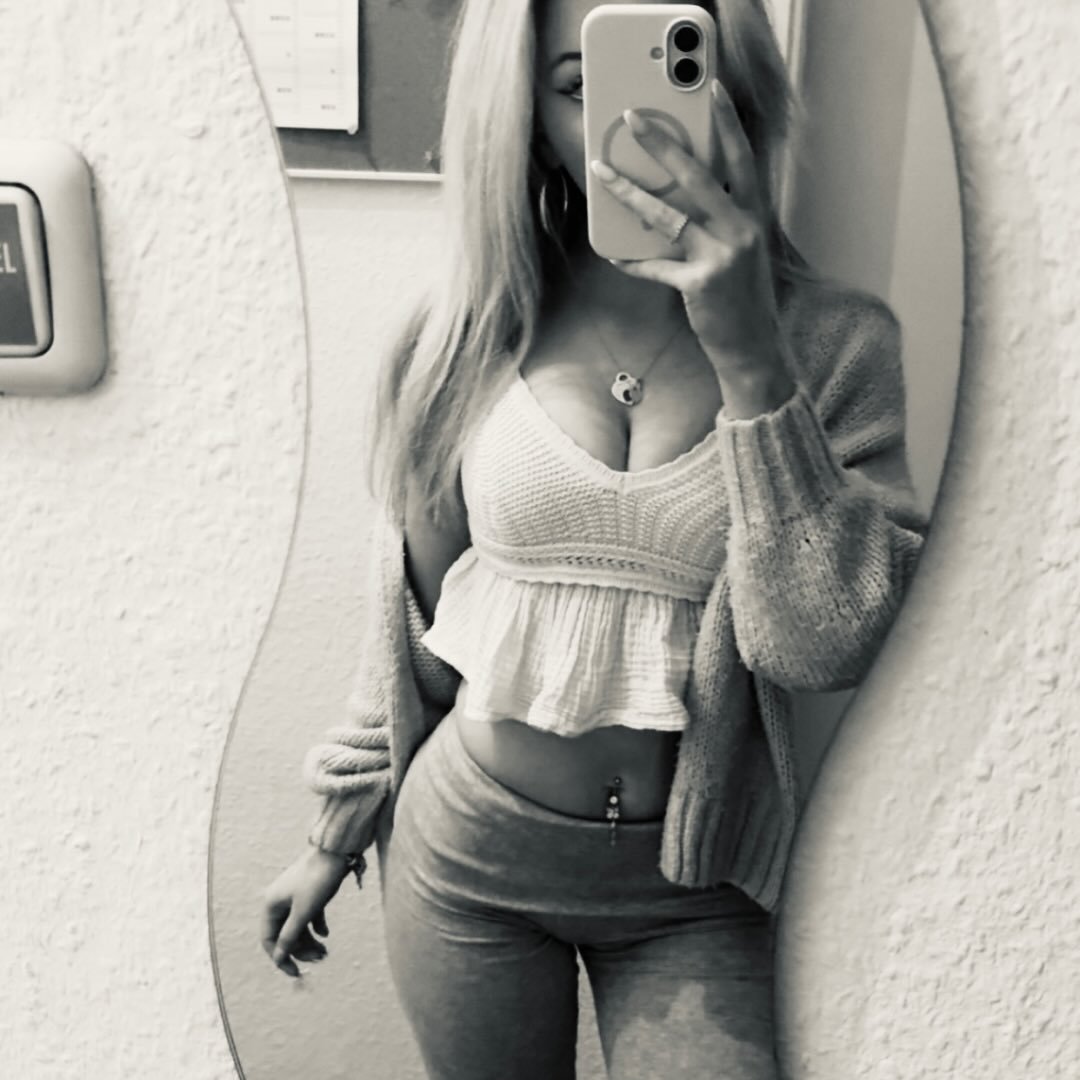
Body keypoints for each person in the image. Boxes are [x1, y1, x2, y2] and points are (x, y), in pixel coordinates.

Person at [260, 1, 928, 1076]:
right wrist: (333, 834)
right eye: (582, 87)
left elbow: (821, 646)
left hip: (701, 884)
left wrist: (751, 358)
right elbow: (416, 633)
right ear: (526, 117)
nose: (639, 127)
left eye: (677, 76)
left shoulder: (839, 344)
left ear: (738, 92)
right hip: (467, 858)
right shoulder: (462, 334)